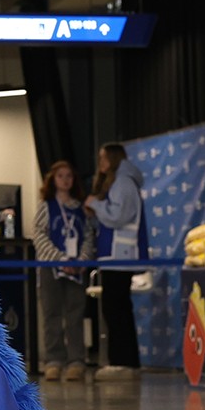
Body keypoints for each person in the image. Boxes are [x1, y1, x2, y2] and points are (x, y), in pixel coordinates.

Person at [31, 160, 95, 383]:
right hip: (51, 268)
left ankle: (77, 361)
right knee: (52, 314)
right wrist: (60, 259)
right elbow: (39, 235)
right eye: (61, 176)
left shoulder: (81, 208)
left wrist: (81, 260)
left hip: (76, 269)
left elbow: (88, 236)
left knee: (75, 314)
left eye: (69, 176)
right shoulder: (46, 206)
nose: (65, 180)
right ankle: (53, 361)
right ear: (53, 179)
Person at [86, 141, 145, 380]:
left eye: (103, 158)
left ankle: (123, 362)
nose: (100, 163)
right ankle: (123, 360)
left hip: (120, 255)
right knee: (115, 308)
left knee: (116, 309)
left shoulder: (123, 182)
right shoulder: (117, 182)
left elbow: (119, 216)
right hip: (112, 255)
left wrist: (95, 204)